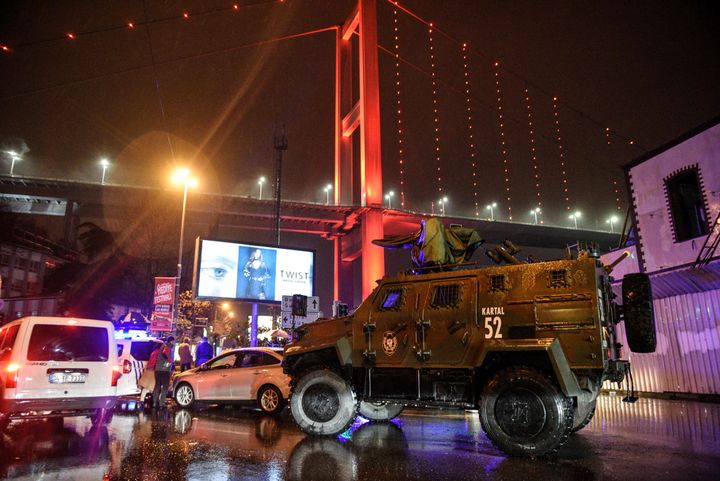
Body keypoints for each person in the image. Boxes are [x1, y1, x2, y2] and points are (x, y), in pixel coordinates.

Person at [152, 336, 175, 409]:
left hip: (158, 370)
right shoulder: (168, 346)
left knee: (157, 386)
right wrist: (168, 364)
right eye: (173, 341)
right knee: (165, 387)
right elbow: (165, 354)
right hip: (164, 370)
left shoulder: (162, 346)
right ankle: (161, 403)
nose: (174, 343)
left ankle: (155, 403)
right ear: (171, 341)